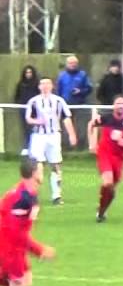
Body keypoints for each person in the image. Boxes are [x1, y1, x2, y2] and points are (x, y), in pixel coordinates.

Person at [0, 157, 55, 286]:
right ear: (33, 174)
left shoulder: (27, 193)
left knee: (25, 282)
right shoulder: (23, 198)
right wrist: (39, 250)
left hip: (11, 242)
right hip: (8, 243)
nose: (42, 171)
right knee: (19, 284)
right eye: (40, 169)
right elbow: (16, 232)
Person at [87, 96, 123, 223]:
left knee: (111, 190)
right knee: (107, 182)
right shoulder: (106, 118)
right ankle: (101, 211)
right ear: (113, 106)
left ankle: (101, 211)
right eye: (118, 103)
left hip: (119, 158)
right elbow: (91, 124)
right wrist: (92, 143)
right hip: (105, 154)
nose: (120, 106)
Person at [24, 77, 76, 205]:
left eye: (47, 83)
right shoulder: (34, 102)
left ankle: (56, 195)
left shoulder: (59, 101)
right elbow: (28, 118)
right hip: (38, 136)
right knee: (37, 165)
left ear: (52, 86)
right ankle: (32, 194)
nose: (45, 86)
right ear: (39, 86)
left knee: (56, 164)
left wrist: (71, 134)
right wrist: (38, 121)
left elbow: (66, 118)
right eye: (42, 83)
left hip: (54, 135)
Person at [13, 65, 40, 155]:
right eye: (27, 72)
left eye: (30, 72)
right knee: (25, 129)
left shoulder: (37, 84)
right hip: (23, 109)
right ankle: (26, 147)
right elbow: (16, 96)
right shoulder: (21, 84)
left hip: (34, 110)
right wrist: (20, 104)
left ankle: (34, 148)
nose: (28, 74)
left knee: (34, 129)